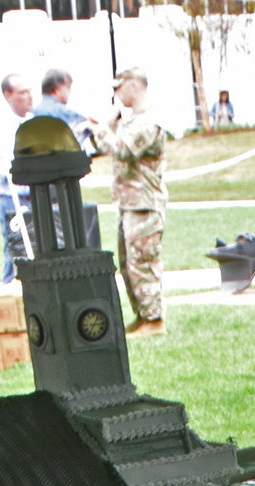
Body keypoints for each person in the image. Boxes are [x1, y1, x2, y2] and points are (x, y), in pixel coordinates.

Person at [100, 68, 167, 338]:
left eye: (119, 87)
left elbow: (123, 150)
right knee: (129, 263)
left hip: (145, 204)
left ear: (133, 86)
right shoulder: (132, 120)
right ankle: (142, 316)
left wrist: (103, 127)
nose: (116, 94)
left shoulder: (149, 121)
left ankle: (155, 320)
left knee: (143, 261)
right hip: (129, 203)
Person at [0, 73, 37, 282]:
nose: (29, 96)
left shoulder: (35, 123)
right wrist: (14, 169)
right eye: (23, 92)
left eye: (30, 91)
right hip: (12, 199)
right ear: (8, 95)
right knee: (16, 252)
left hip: (37, 197)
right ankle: (10, 292)